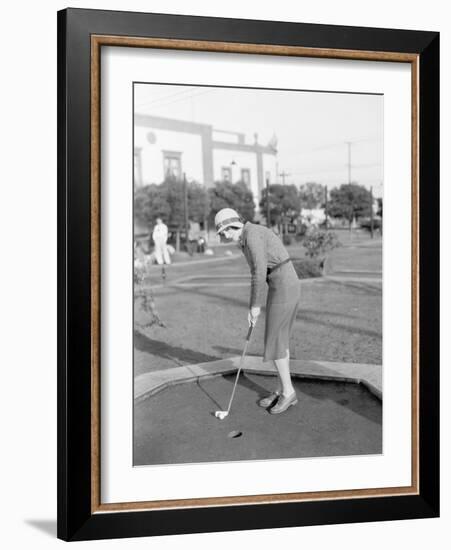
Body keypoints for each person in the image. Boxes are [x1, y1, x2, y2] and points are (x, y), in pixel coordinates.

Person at [214, 208, 301, 414]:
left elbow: (259, 272)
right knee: (278, 341)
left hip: (284, 285)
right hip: (282, 284)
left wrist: (254, 306)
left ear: (232, 225)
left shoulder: (251, 236)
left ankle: (288, 392)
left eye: (224, 231)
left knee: (274, 341)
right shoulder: (247, 236)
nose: (224, 236)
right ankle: (281, 389)